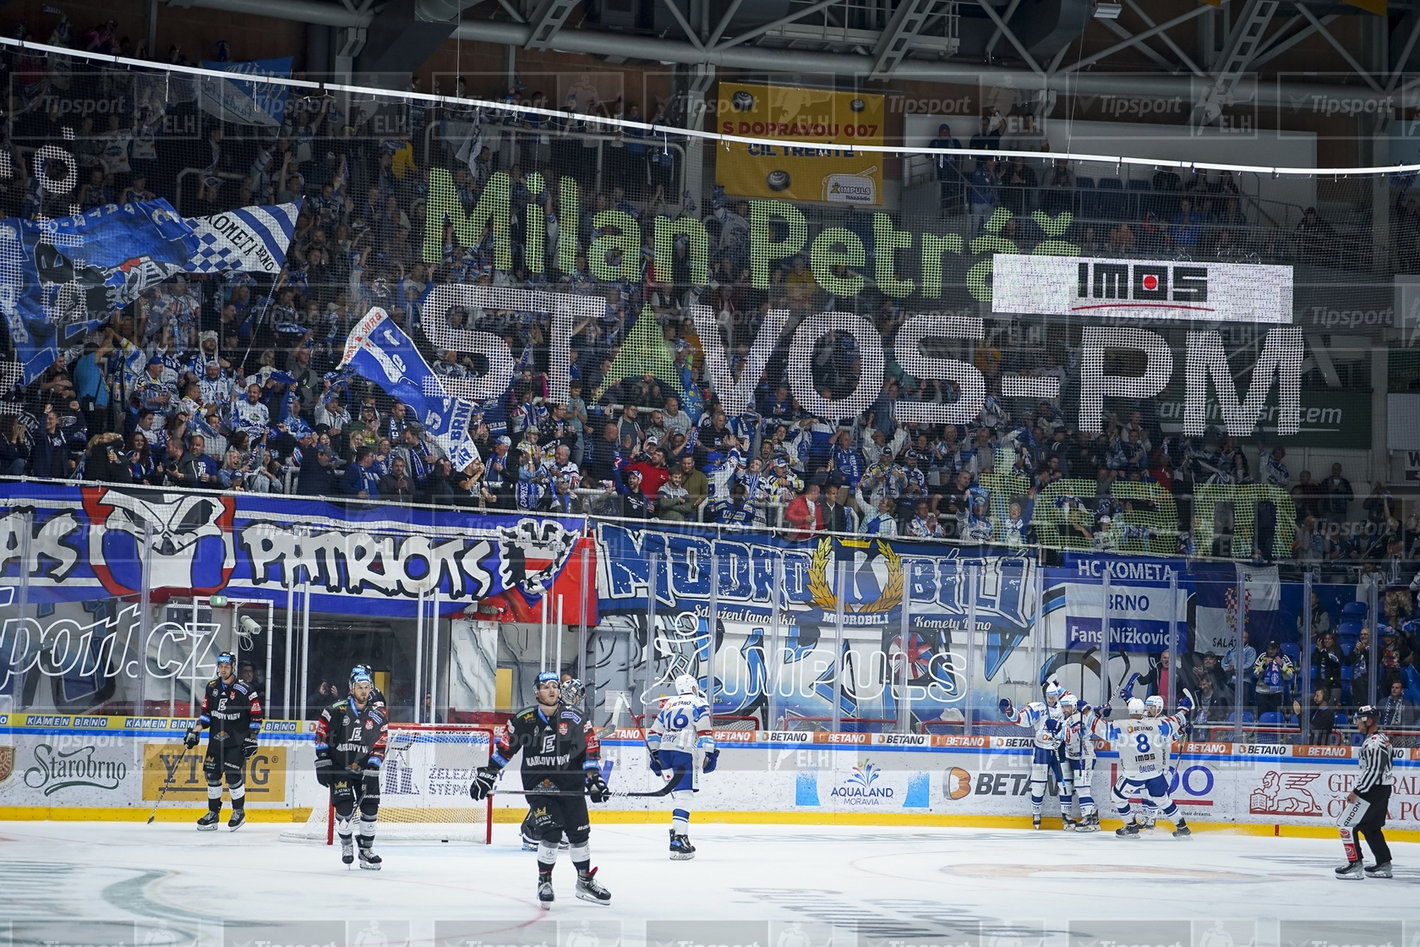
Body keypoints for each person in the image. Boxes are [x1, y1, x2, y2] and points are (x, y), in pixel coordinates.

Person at [469, 672, 612, 908]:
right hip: (539, 784)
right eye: (546, 687)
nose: (552, 690)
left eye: (555, 686)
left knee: (579, 835)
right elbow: (505, 750)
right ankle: (544, 881)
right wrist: (488, 774)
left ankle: (584, 881)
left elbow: (590, 749)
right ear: (537, 692)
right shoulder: (523, 720)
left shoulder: (575, 717)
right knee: (552, 833)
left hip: (570, 783)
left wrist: (594, 779)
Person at [314, 668, 388, 869]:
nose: (363, 691)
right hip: (340, 768)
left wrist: (373, 767)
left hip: (365, 770)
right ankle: (346, 843)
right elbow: (321, 734)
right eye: (359, 687)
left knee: (370, 809)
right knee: (345, 811)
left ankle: (366, 851)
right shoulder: (335, 710)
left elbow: (381, 743)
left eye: (366, 687)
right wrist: (322, 761)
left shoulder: (378, 714)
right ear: (351, 688)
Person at [1092, 695, 1192, 838]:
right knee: (1162, 799)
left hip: (1135, 773)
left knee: (1117, 797)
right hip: (1154, 771)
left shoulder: (1122, 725)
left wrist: (1091, 714)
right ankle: (1182, 827)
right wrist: (1183, 711)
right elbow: (1174, 722)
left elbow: (1101, 729)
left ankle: (1131, 827)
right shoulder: (1158, 723)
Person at [183, 651, 262, 831]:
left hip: (236, 741)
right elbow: (206, 715)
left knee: (233, 776)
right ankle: (213, 814)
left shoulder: (246, 690)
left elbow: (256, 717)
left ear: (233, 667)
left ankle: (238, 812)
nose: (223, 669)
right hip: (216, 741)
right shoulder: (212, 687)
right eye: (221, 666)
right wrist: (194, 732)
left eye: (227, 666)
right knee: (211, 775)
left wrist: (252, 739)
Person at [646, 674, 719, 859]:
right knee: (684, 797)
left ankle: (680, 835)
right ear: (694, 687)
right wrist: (709, 753)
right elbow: (704, 731)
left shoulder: (669, 704)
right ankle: (678, 839)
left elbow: (654, 733)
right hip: (683, 753)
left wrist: (654, 755)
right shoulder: (699, 703)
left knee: (678, 797)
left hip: (665, 751)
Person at [999, 682, 1072, 830]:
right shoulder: (1038, 707)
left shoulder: (1064, 706)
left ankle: (1066, 815)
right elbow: (1021, 718)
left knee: (1065, 783)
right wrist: (1010, 711)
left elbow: (1074, 718)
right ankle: (1036, 813)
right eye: (1049, 697)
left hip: (1060, 748)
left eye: (1053, 696)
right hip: (1042, 750)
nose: (1051, 699)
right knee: (1038, 783)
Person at [1335, 705, 1394, 879]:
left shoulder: (1374, 743)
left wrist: (1357, 791)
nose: (1356, 723)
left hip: (1372, 790)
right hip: (1381, 789)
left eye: (1359, 719)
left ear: (1368, 721)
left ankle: (1355, 865)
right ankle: (1384, 864)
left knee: (1345, 824)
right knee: (1371, 827)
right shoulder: (1381, 739)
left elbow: (1373, 772)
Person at [1058, 693, 1099, 832]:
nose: (1065, 710)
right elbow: (1063, 735)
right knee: (1081, 787)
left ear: (1074, 706)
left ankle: (1088, 819)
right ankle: (1094, 818)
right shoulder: (1068, 719)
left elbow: (1076, 731)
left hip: (1085, 757)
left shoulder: (1078, 718)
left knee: (1082, 788)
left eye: (1068, 707)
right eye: (1063, 707)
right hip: (1074, 758)